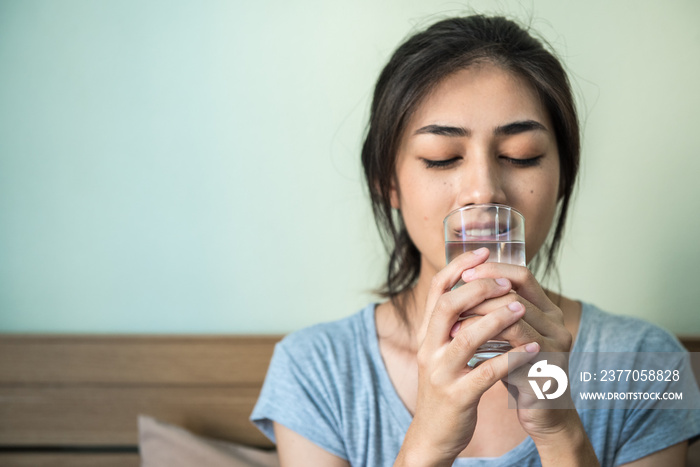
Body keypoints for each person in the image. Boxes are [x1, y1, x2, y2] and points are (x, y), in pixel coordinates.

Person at [251, 15, 700, 466]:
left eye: (520, 156)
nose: (484, 190)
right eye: (442, 159)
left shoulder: (648, 363)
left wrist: (559, 428)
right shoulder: (314, 368)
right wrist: (429, 440)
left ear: (563, 177)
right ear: (386, 181)